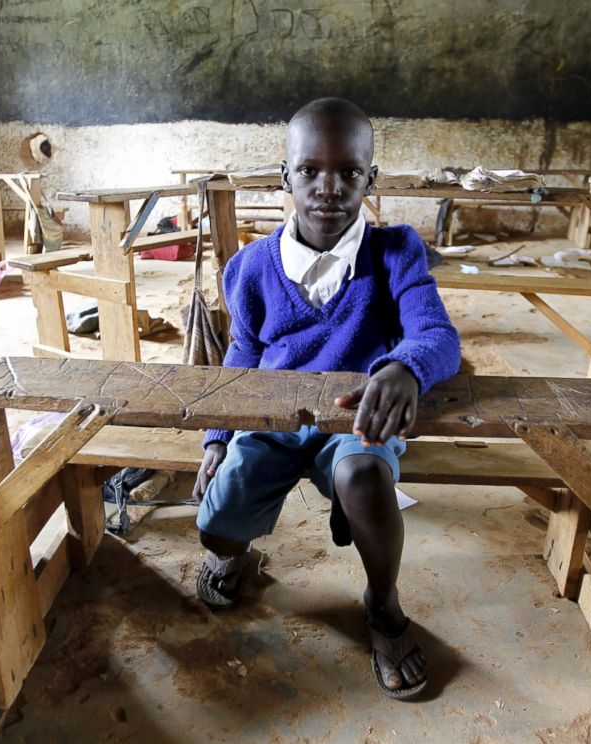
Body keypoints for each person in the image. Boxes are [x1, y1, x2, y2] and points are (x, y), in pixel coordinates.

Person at [192, 97, 460, 699]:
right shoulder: (251, 267)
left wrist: (404, 369)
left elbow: (438, 336)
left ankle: (383, 606)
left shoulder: (396, 252)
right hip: (272, 416)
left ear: (371, 178)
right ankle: (236, 555)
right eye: (310, 170)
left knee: (366, 478)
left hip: (354, 418)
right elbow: (241, 354)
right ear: (285, 176)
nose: (329, 188)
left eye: (349, 172)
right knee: (216, 524)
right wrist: (217, 435)